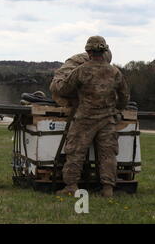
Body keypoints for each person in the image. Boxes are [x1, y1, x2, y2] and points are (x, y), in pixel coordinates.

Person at [55, 36, 129, 197]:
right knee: (108, 154)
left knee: (75, 152)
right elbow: (124, 96)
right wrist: (117, 109)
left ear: (88, 51)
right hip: (108, 120)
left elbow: (64, 90)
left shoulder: (81, 70)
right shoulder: (115, 71)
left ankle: (71, 186)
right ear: (104, 51)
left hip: (84, 120)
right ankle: (108, 188)